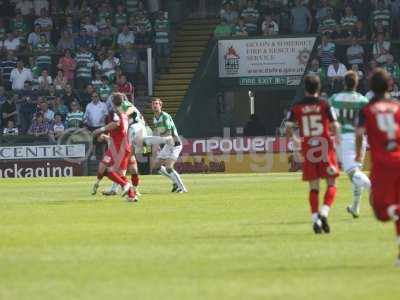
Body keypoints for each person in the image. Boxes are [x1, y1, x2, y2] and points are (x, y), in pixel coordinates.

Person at [355, 68, 400, 265]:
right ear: (390, 85)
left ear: (371, 88)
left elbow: (358, 133)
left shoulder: (366, 110)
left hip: (382, 166)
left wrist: (358, 153)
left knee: (380, 213)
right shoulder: (397, 107)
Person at [286, 74, 340, 234]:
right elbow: (336, 126)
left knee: (314, 186)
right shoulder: (325, 104)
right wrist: (334, 138)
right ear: (319, 88)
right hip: (324, 146)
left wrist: (296, 140)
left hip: (308, 148)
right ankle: (324, 212)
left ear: (305, 88)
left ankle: (315, 219)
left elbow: (288, 128)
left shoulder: (297, 106)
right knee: (331, 183)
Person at [329, 71, 370, 218]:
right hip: (361, 138)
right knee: (356, 171)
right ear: (356, 83)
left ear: (344, 83)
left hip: (344, 138)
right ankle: (355, 207)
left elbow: (329, 116)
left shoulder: (334, 98)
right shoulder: (363, 100)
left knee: (353, 173)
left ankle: (374, 190)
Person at [91, 93, 137, 202]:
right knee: (120, 174)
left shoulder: (116, 112)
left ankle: (125, 185)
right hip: (124, 146)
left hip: (118, 147)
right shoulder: (124, 114)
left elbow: (116, 124)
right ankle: (132, 195)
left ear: (112, 102)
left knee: (108, 170)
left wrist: (101, 129)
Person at [152, 98, 187, 193]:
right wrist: (157, 143)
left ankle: (183, 188)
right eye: (153, 104)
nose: (154, 105)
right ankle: (175, 182)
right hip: (168, 144)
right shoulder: (155, 118)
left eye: (156, 104)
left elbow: (169, 132)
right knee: (156, 167)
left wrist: (159, 139)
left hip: (175, 144)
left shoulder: (165, 116)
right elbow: (157, 131)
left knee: (168, 167)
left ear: (160, 105)